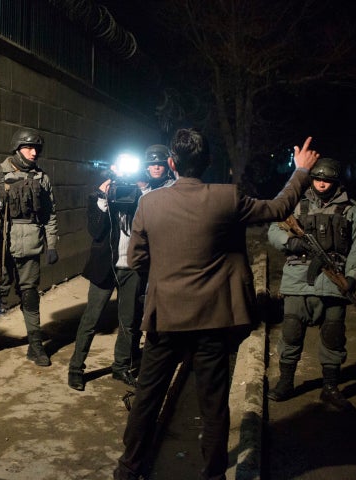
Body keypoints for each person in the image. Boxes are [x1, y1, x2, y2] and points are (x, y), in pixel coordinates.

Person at [114, 128, 320, 480]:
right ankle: (211, 473)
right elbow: (279, 207)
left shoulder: (149, 203)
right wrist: (300, 171)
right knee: (213, 402)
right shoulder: (228, 197)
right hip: (213, 319)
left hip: (166, 318)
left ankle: (129, 467)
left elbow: (136, 260)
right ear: (207, 163)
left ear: (171, 163)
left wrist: (166, 275)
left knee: (147, 397)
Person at [67, 145, 174, 391]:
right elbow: (95, 231)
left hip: (132, 268)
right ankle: (75, 368)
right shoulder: (100, 194)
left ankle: (121, 367)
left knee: (129, 321)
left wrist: (143, 189)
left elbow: (153, 220)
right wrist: (102, 199)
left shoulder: (143, 195)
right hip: (105, 267)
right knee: (90, 319)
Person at [267, 157, 356, 411]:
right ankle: (286, 382)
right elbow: (274, 229)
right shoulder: (296, 206)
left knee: (333, 336)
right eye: (318, 179)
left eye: (327, 181)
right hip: (297, 280)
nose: (322, 185)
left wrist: (352, 277)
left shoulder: (352, 210)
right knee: (291, 333)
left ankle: (330, 387)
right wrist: (290, 243)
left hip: (334, 282)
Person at [0, 128, 58, 366]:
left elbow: (50, 215)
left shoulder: (42, 179)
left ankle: (35, 345)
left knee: (29, 295)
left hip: (29, 245)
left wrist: (52, 245)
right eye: (29, 148)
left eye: (37, 149)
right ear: (17, 149)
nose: (34, 152)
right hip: (0, 245)